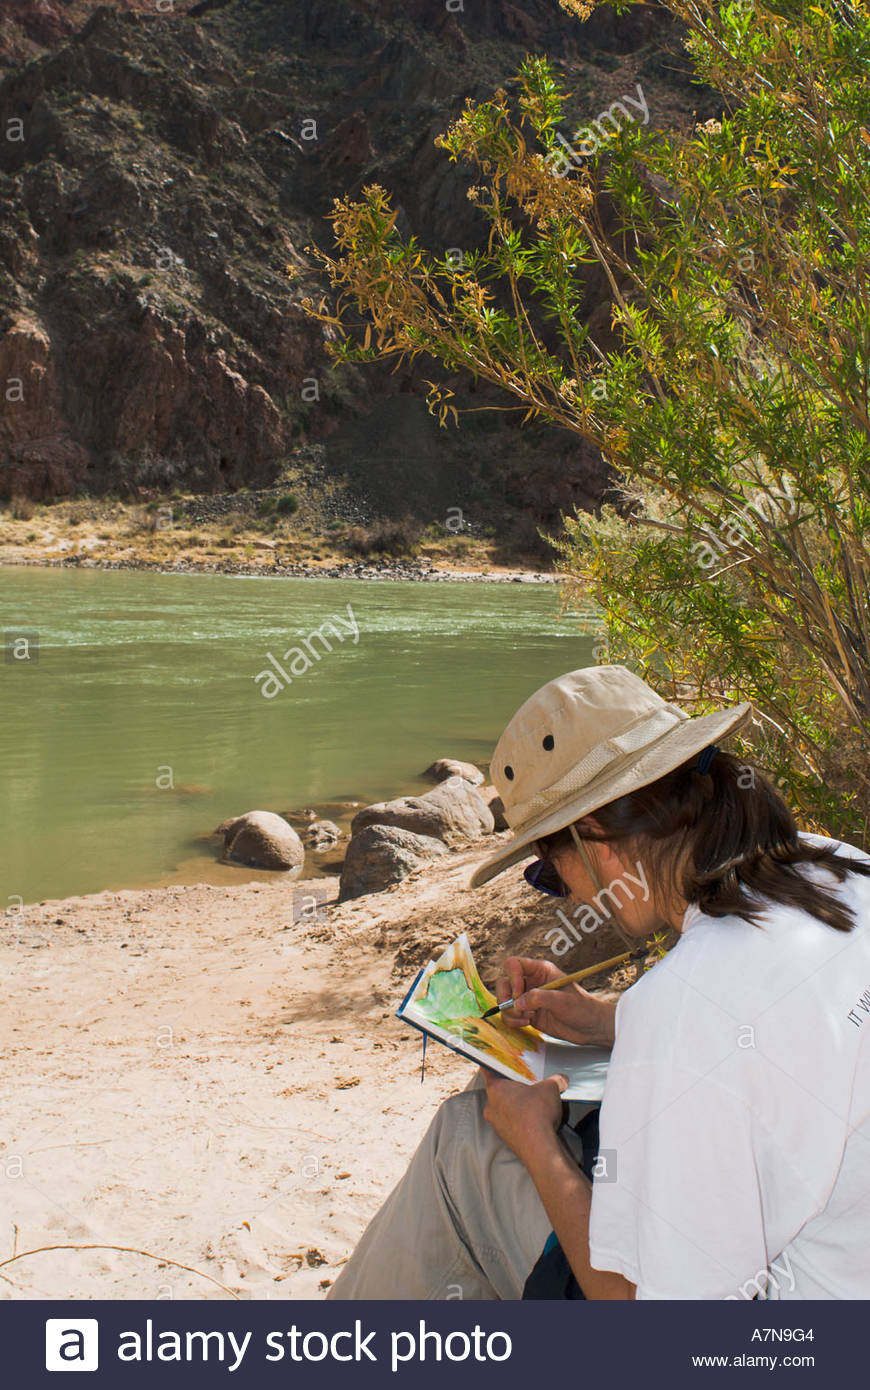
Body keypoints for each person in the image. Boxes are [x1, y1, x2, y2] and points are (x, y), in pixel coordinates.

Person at [329, 665, 870, 1300]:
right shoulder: (836, 867)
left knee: (468, 1139)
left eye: (548, 875)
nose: (565, 898)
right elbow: (780, 1030)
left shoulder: (688, 1007)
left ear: (595, 839)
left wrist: (536, 1142)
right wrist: (608, 1018)